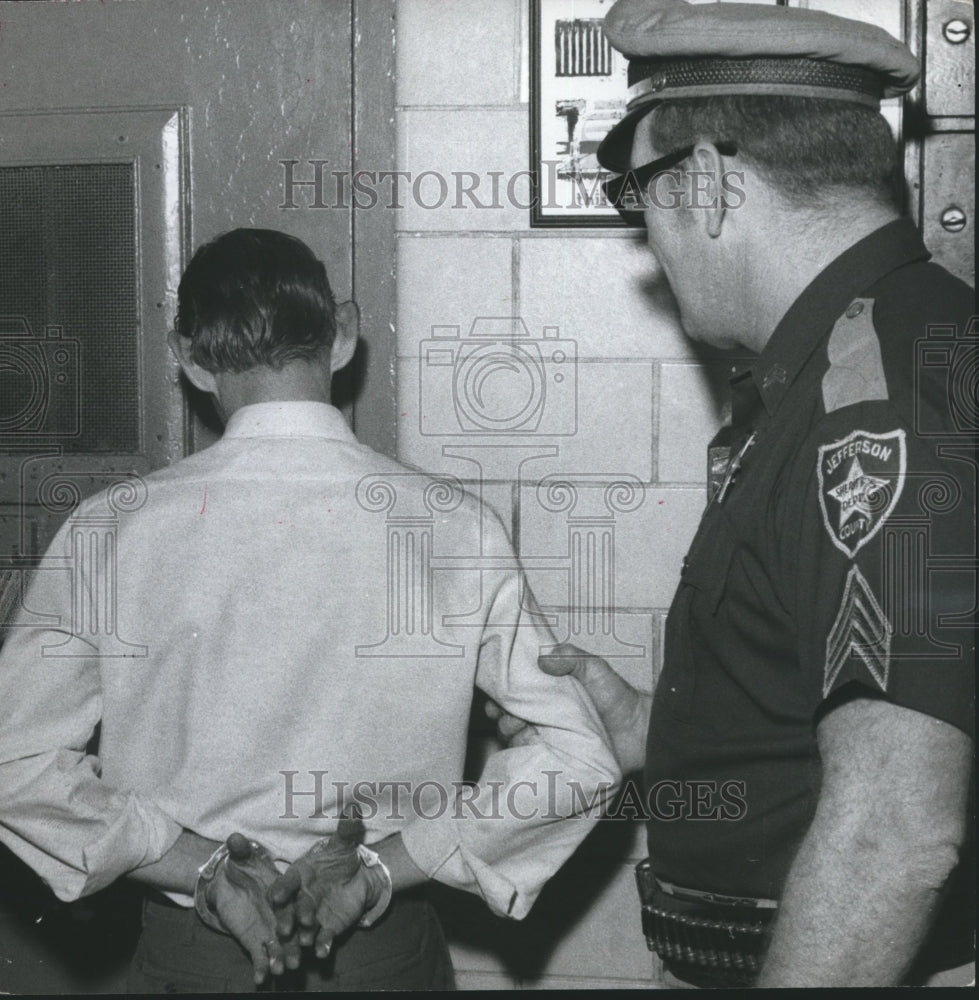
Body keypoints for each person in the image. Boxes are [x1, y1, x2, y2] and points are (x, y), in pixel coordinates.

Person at [492, 0, 975, 987]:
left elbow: (894, 831)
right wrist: (650, 728)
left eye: (643, 200)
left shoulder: (865, 402)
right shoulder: (899, 345)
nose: (653, 252)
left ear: (706, 182)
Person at [0, 228, 620, 992]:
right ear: (345, 335)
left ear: (189, 357)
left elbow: (11, 763)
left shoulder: (110, 527)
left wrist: (203, 867)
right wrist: (378, 869)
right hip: (383, 959)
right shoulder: (454, 526)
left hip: (194, 958)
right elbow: (580, 760)